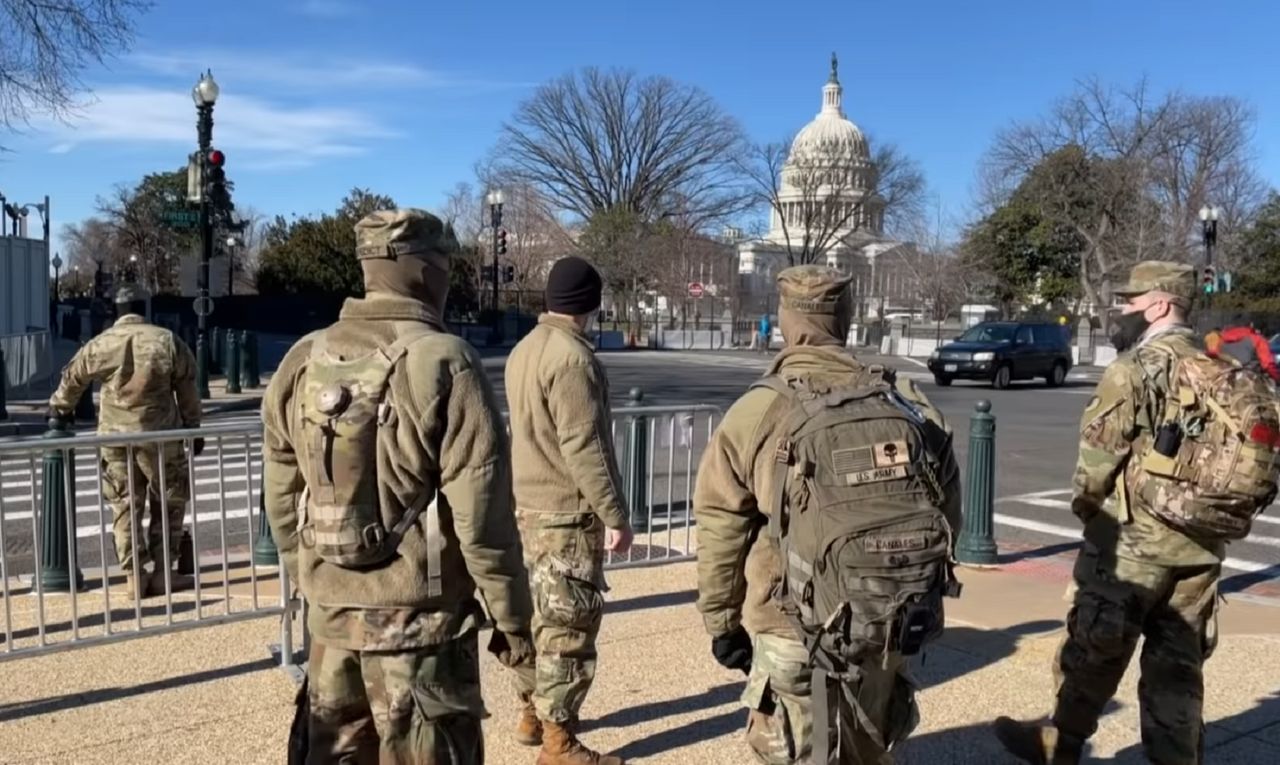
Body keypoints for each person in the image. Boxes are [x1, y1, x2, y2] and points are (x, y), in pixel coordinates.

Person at [261, 209, 534, 763]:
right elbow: (483, 520)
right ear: (428, 272)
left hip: (330, 625)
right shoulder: (445, 362)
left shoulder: (302, 359)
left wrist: (313, 575)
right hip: (423, 633)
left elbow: (282, 498)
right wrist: (513, 621)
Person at [695, 265, 962, 764]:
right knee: (867, 751)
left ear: (784, 321)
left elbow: (719, 527)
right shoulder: (906, 404)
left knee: (805, 753)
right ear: (847, 319)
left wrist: (721, 621)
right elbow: (949, 514)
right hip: (886, 622)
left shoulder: (758, 411)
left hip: (793, 626)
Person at [994, 261, 1242, 764]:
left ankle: (1059, 743)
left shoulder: (1132, 369)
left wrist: (1091, 515)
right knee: (1178, 663)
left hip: (1132, 544)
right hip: (1199, 542)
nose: (1121, 311)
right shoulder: (1224, 370)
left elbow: (1098, 461)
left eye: (1130, 302)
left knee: (1094, 647)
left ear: (1160, 304)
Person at [504, 255, 634, 765]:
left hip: (524, 509)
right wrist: (616, 516)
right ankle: (559, 743)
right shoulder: (572, 359)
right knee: (568, 630)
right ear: (591, 304)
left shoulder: (524, 350)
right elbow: (587, 446)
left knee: (532, 619)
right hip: (565, 515)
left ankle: (530, 713)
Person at [48, 283, 201, 599]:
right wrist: (193, 426)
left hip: (115, 438)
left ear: (116, 312)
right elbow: (187, 386)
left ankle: (134, 577)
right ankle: (163, 574)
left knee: (124, 506)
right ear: (143, 309)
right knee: (168, 504)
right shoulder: (166, 340)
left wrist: (60, 410)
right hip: (162, 436)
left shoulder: (101, 344)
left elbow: (73, 377)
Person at [1215, 319, 1279, 382]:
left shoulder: (1223, 336)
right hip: (1245, 375)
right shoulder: (1258, 339)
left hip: (1220, 373)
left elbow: (1213, 352)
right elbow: (1268, 365)